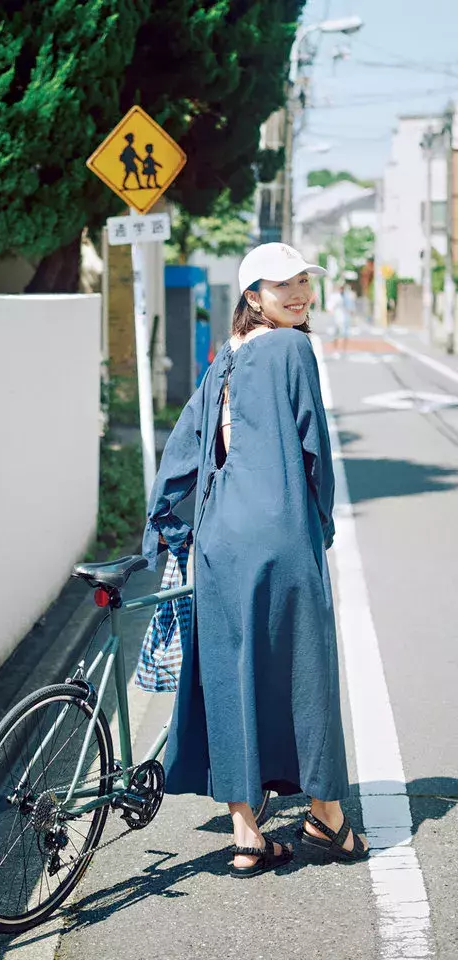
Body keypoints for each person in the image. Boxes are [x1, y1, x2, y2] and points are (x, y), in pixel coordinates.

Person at [142, 242, 369, 878]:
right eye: (283, 285)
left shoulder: (225, 362)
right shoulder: (295, 349)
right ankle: (325, 812)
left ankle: (247, 837)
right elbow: (313, 449)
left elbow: (184, 449)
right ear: (253, 297)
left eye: (303, 281)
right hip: (279, 532)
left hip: (219, 539)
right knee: (305, 666)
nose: (298, 293)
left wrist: (168, 527)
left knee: (230, 673)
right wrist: (317, 527)